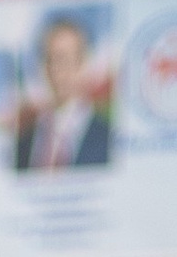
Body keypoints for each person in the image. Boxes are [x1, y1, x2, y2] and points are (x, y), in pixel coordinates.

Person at [14, 13, 115, 173]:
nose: (54, 70)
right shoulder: (24, 141)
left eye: (62, 59)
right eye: (48, 59)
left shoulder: (110, 139)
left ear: (82, 63)